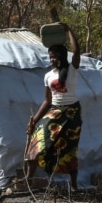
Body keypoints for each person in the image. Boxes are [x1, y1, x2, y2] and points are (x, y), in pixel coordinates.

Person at [24, 23, 83, 191]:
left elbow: (77, 51)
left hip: (72, 113)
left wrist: (69, 30)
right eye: (50, 57)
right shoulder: (48, 76)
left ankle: (74, 186)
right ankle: (29, 178)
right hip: (55, 111)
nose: (52, 60)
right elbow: (47, 101)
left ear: (62, 56)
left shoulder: (72, 69)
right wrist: (34, 121)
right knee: (37, 140)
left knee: (69, 148)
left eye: (55, 56)